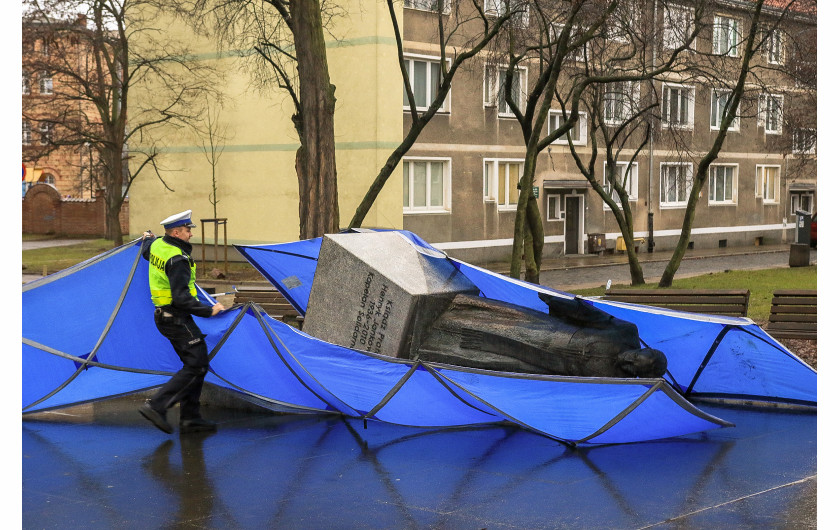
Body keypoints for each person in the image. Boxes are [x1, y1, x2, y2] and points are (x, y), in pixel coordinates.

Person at [138, 210, 225, 434]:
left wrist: (148, 236)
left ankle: (191, 418)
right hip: (176, 317)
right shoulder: (178, 259)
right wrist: (209, 310)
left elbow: (147, 248)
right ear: (176, 233)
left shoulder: (158, 245)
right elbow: (182, 298)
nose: (190, 234)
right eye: (188, 230)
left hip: (165, 317)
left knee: (196, 365)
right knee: (198, 364)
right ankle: (157, 406)